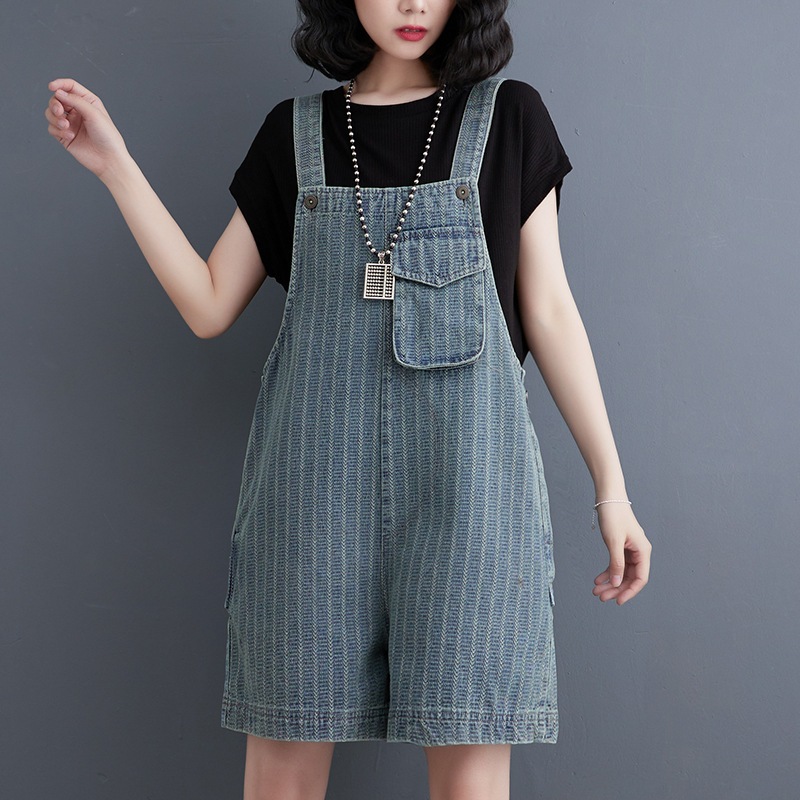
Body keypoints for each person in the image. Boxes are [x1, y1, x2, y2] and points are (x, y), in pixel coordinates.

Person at [45, 0, 652, 798]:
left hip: (472, 501)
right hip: (310, 505)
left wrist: (612, 490)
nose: (412, 4)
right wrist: (116, 167)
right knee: (282, 775)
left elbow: (550, 311)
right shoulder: (293, 134)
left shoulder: (509, 118)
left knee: (471, 774)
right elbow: (208, 303)